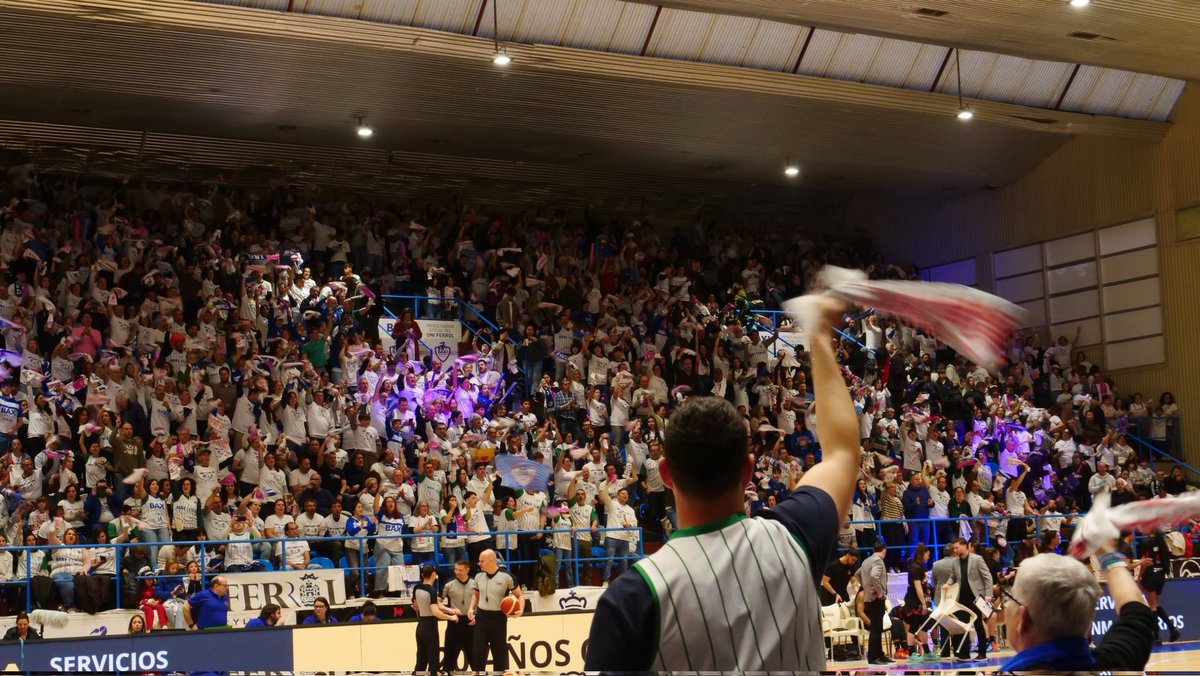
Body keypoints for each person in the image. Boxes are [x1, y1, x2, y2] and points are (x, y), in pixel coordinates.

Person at [584, 297, 859, 671]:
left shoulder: (633, 596)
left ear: (664, 474)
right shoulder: (796, 537)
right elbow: (843, 449)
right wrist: (821, 337)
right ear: (748, 471)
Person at [999, 541, 1155, 672]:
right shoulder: (1117, 660)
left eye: (1012, 598)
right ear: (1088, 623)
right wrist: (1106, 550)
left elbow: (1137, 612)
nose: (1007, 605)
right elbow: (1137, 613)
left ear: (1023, 618)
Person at [468, 549, 523, 672]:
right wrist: (471, 608)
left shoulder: (507, 577)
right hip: (481, 618)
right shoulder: (478, 576)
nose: (479, 563)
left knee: (499, 655)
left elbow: (520, 595)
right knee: (477, 654)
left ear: (492, 561)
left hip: (498, 619)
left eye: (481, 561)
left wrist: (520, 610)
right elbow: (476, 595)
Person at [943, 538, 993, 661]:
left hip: (976, 598)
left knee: (978, 625)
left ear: (965, 546)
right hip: (962, 598)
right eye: (954, 548)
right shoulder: (955, 562)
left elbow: (987, 577)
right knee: (962, 626)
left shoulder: (977, 559)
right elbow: (952, 576)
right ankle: (964, 654)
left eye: (956, 547)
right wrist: (948, 584)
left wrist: (988, 594)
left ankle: (982, 653)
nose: (954, 550)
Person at [413, 564, 459, 674]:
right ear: (433, 574)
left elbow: (416, 606)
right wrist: (451, 617)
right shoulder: (431, 591)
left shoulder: (417, 588)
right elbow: (435, 611)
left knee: (421, 658)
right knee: (433, 659)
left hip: (420, 625)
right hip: (430, 626)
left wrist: (450, 610)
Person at [441, 559, 477, 673]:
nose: (457, 572)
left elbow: (481, 600)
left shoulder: (475, 583)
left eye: (460, 570)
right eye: (456, 569)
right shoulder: (449, 583)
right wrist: (449, 610)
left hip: (471, 622)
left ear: (467, 570)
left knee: (475, 657)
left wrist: (476, 613)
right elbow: (437, 602)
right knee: (449, 657)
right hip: (454, 622)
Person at [859, 541, 890, 665]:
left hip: (868, 598)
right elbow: (874, 577)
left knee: (877, 627)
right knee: (876, 629)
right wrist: (880, 592)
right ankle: (873, 657)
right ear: (884, 550)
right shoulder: (878, 561)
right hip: (876, 599)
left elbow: (857, 574)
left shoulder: (866, 561)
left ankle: (880, 655)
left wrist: (866, 588)